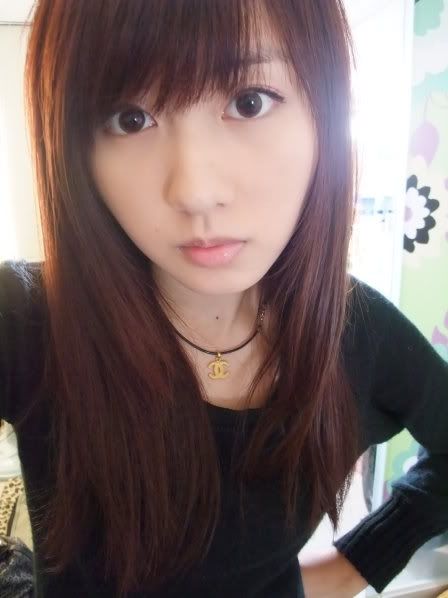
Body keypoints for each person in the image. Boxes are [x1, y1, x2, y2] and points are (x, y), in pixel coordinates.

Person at [0, 0, 447, 596]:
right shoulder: (27, 320)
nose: (195, 191)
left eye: (249, 101)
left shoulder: (357, 329)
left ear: (324, 112)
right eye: (130, 119)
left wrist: (356, 565)